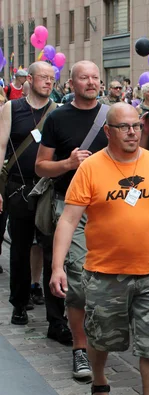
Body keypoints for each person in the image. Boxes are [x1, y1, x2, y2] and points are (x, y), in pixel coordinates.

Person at [50, 102, 149, 395]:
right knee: (101, 338)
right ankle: (99, 382)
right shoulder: (90, 167)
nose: (132, 132)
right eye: (124, 127)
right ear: (108, 131)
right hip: (104, 275)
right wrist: (58, 266)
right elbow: (69, 220)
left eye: (136, 125)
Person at [37, 60, 109, 379]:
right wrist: (67, 163)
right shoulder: (57, 118)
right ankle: (80, 350)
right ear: (71, 83)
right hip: (71, 206)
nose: (91, 82)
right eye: (84, 77)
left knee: (110, 279)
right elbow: (41, 166)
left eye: (95, 77)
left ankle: (105, 339)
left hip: (110, 207)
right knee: (78, 281)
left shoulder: (115, 117)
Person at [0, 62, 68, 343]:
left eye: (53, 79)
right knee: (19, 247)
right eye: (44, 78)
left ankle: (56, 319)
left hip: (48, 189)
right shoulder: (11, 109)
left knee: (52, 250)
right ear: (30, 79)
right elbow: (0, 146)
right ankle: (19, 303)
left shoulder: (59, 112)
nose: (49, 83)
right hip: (19, 188)